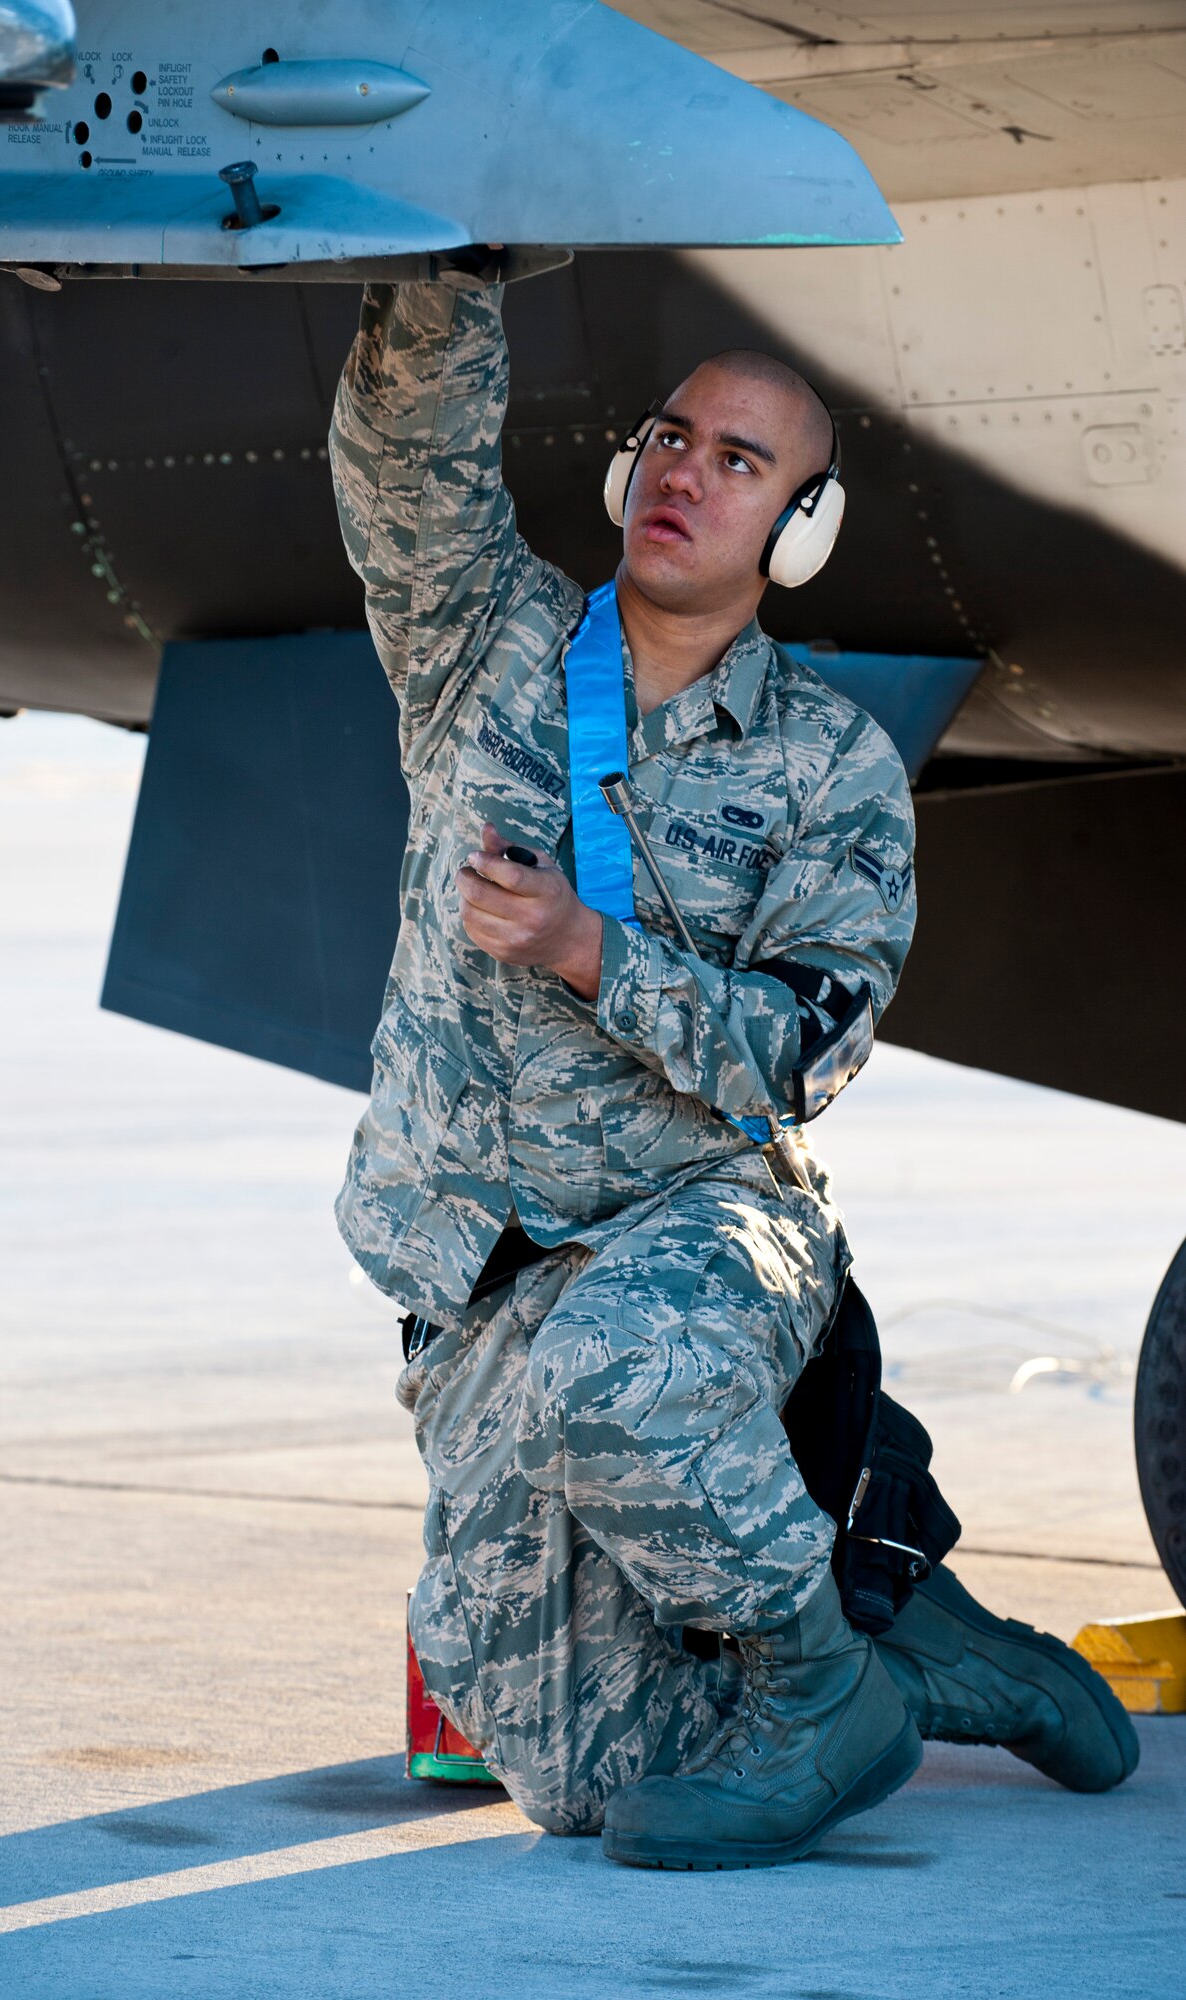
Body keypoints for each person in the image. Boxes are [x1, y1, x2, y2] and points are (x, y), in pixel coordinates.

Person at [328, 269, 1138, 1869]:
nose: (689, 473)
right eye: (672, 441)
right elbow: (404, 455)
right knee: (571, 1774)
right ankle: (924, 1641)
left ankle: (822, 1688)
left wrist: (582, 948)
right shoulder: (480, 638)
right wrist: (453, 266)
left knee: (613, 1370)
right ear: (631, 475)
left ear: (800, 531)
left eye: (741, 461)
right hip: (487, 1261)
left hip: (702, 1228)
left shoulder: (827, 766)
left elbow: (801, 1047)